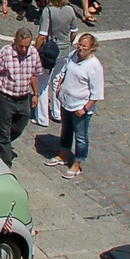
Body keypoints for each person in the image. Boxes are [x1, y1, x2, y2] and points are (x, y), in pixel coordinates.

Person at [46, 33, 102, 180]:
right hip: (66, 102)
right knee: (65, 130)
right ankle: (63, 154)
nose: (80, 48)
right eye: (79, 45)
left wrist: (85, 108)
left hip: (80, 107)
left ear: (92, 48)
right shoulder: (73, 55)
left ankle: (77, 164)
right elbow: (65, 70)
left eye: (84, 46)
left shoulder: (94, 66)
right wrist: (59, 86)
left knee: (81, 136)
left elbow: (96, 93)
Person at [0, 29, 41, 164]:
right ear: (15, 42)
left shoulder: (33, 53)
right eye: (21, 46)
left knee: (20, 126)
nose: (24, 49)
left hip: (23, 97)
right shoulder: (5, 53)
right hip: (6, 98)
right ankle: (6, 161)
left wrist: (36, 94)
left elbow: (34, 74)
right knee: (4, 131)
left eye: (27, 45)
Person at [33, 0, 80, 127]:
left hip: (49, 53)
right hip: (64, 52)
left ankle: (42, 118)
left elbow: (42, 35)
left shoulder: (48, 11)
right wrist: (68, 42)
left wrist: (34, 50)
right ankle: (57, 112)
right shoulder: (70, 10)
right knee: (56, 81)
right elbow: (75, 31)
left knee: (43, 84)